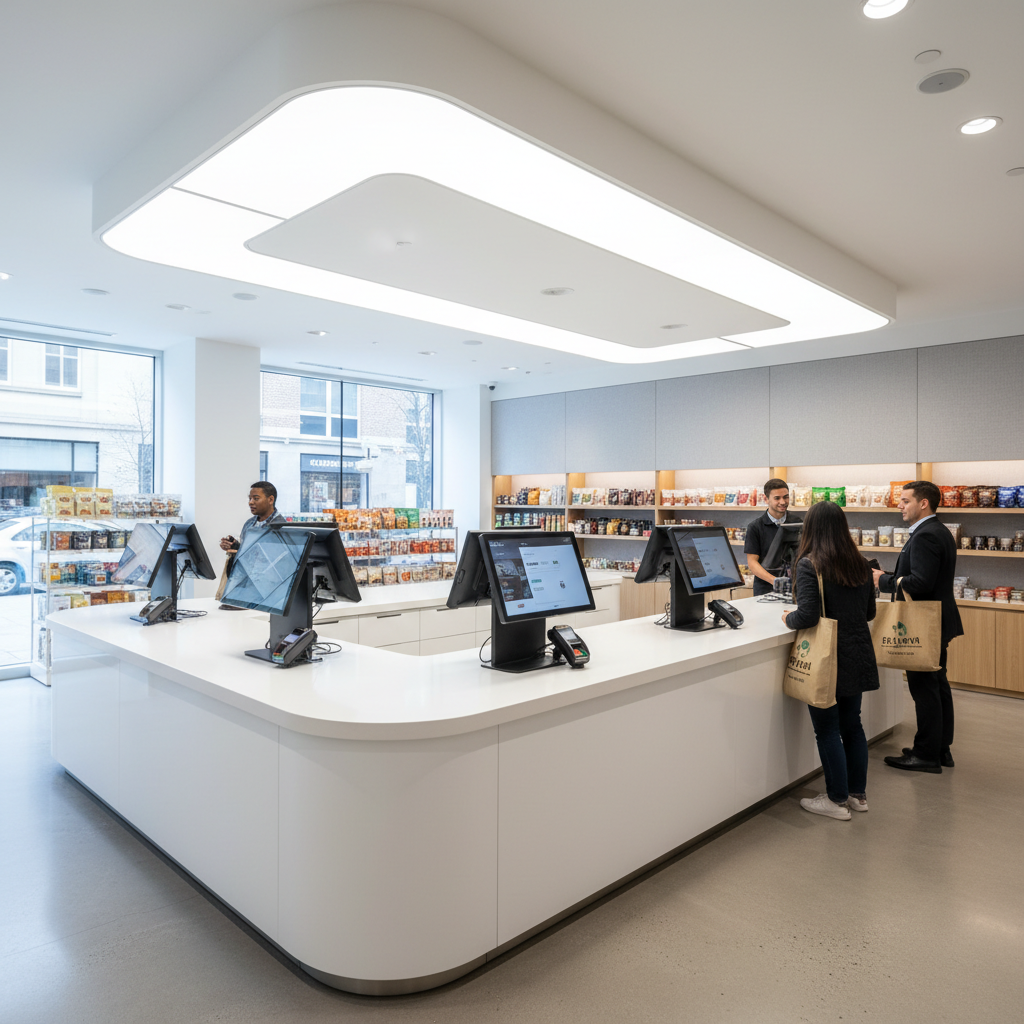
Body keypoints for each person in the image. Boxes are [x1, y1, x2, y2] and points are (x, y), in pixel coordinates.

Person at [783, 500, 878, 820]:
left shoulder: (810, 565)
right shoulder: (862, 564)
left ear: (810, 529)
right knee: (853, 726)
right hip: (858, 653)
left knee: (827, 730)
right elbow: (869, 613)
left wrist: (787, 618)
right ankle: (857, 795)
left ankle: (835, 800)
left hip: (829, 657)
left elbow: (807, 616)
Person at [872, 481, 963, 773]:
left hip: (924, 624)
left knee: (924, 689)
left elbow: (920, 583)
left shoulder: (925, 536)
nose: (899, 505)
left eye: (905, 500)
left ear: (923, 503)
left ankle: (925, 755)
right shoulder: (939, 531)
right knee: (938, 686)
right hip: (939, 619)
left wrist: (882, 580)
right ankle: (940, 749)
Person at [744, 478, 803, 597]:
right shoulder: (755, 527)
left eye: (786, 497)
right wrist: (775, 581)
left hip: (794, 587)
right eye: (777, 498)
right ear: (766, 499)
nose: (783, 502)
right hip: (765, 589)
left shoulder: (798, 522)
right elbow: (752, 563)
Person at [219, 481, 286, 556]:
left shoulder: (281, 527)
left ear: (270, 500)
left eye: (256, 498)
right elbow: (247, 551)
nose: (250, 502)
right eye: (250, 498)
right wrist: (234, 545)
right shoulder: (249, 524)